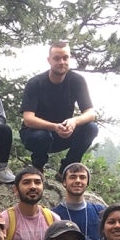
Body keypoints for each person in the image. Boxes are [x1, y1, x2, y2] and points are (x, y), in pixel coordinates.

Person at [20, 41, 98, 176]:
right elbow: (28, 119)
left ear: (69, 58)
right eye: (56, 58)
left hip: (63, 133)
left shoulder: (77, 81)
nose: (61, 62)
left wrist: (74, 122)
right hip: (35, 135)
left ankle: (66, 169)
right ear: (49, 60)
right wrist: (54, 126)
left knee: (91, 128)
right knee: (42, 136)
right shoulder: (35, 83)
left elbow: (91, 113)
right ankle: (38, 168)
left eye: (65, 58)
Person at [2, 167, 61, 240]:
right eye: (26, 182)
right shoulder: (6, 219)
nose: (33, 186)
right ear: (16, 189)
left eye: (37, 182)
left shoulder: (52, 218)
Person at [52, 163, 106, 240]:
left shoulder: (100, 212)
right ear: (64, 182)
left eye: (82, 177)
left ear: (87, 182)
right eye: (72, 177)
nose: (78, 181)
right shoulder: (54, 215)